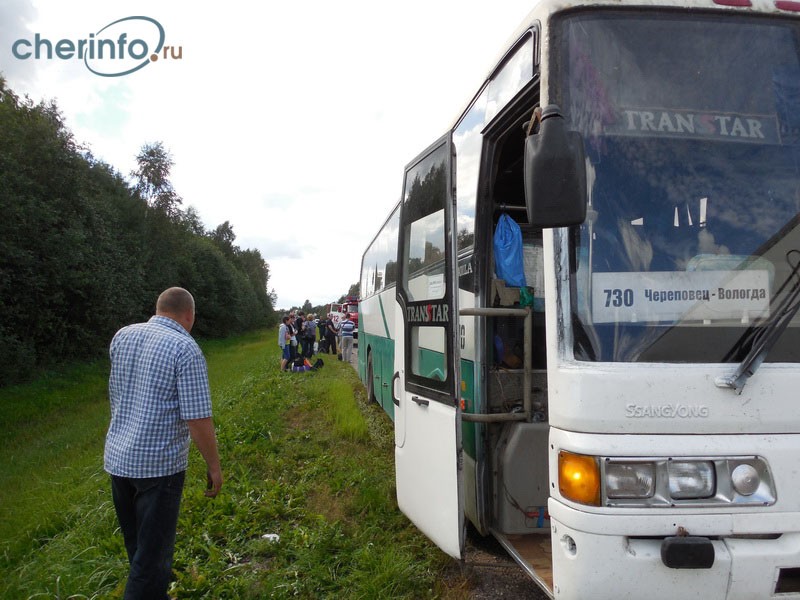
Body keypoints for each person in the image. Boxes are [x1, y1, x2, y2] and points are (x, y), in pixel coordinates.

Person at [104, 287, 223, 599]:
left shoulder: (123, 336)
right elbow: (197, 419)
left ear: (159, 309)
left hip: (118, 460)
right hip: (157, 469)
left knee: (139, 550)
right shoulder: (185, 348)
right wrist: (214, 467)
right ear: (189, 315)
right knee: (152, 561)